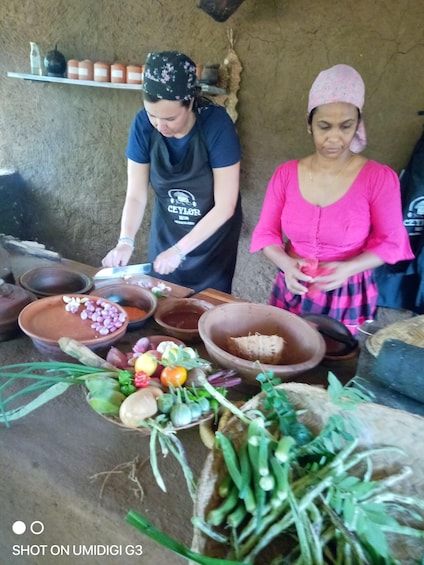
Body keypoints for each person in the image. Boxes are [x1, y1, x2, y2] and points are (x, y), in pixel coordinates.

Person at [250, 64, 414, 334]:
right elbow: (266, 234)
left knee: (333, 369)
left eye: (346, 126)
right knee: (283, 357)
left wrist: (348, 268)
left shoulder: (378, 178)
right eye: (324, 126)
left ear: (358, 124)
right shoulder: (286, 174)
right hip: (293, 285)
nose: (334, 138)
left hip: (345, 289)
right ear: (309, 123)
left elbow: (391, 243)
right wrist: (287, 265)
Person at [101, 50, 242, 294]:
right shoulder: (143, 125)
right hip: (167, 232)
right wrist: (125, 241)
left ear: (190, 102)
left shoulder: (216, 126)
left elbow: (225, 206)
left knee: (206, 308)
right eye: (152, 114)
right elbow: (135, 194)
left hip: (211, 241)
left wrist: (180, 250)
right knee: (163, 299)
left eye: (170, 118)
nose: (160, 125)